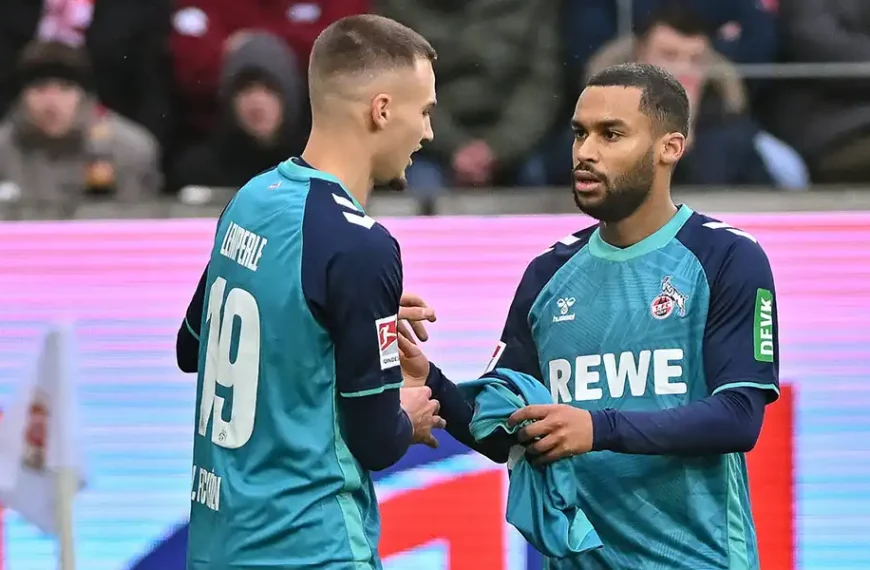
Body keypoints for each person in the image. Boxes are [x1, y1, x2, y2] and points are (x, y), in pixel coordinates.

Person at [399, 62, 780, 569]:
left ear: (669, 147)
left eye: (611, 134)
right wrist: (431, 380)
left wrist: (598, 429)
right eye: (580, 133)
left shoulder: (725, 256)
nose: (585, 152)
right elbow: (501, 432)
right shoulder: (547, 274)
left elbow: (738, 419)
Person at [174, 15, 451, 570]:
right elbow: (376, 441)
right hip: (310, 548)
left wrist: (331, 313)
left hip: (218, 547)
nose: (428, 133)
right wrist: (410, 417)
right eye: (424, 111)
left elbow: (190, 348)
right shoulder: (360, 247)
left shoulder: (251, 199)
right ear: (381, 110)